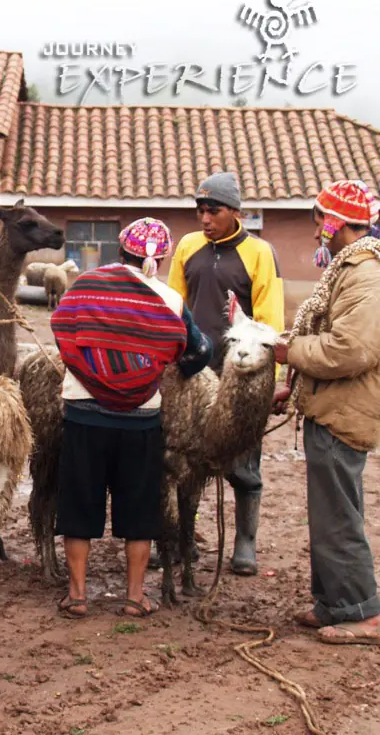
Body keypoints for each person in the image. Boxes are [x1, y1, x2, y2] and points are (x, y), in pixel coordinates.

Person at [273, 180, 380, 645]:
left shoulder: (368, 278)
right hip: (335, 406)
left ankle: (363, 614)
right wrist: (293, 381)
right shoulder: (355, 270)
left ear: (333, 222)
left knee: (337, 516)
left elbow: (350, 350)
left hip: (346, 412)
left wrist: (290, 351)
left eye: (319, 219)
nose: (316, 230)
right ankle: (334, 604)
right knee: (329, 512)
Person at [51, 218, 212, 619]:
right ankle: (135, 596)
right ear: (160, 258)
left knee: (79, 504)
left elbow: (62, 330)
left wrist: (90, 366)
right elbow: (199, 351)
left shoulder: (85, 285)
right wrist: (164, 366)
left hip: (83, 415)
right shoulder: (169, 300)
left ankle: (77, 595)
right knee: (139, 512)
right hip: (140, 420)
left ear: (120, 251)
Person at [164, 171, 284, 576]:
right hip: (194, 375)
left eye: (212, 209)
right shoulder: (188, 247)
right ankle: (185, 537)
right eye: (199, 210)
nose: (204, 217)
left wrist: (268, 381)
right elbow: (174, 304)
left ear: (235, 211)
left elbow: (269, 320)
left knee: (243, 463)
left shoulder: (259, 253)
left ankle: (245, 542)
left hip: (239, 377)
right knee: (188, 463)